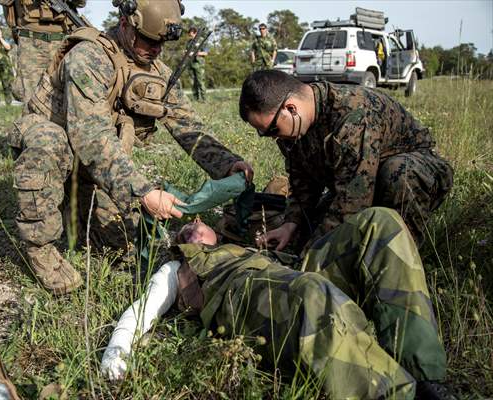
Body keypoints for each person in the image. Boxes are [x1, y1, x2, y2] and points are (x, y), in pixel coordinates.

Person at [9, 0, 253, 294]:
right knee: (48, 142)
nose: (156, 50)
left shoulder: (157, 71)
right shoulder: (88, 57)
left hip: (93, 167)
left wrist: (228, 164)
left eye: (161, 44)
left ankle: (75, 204)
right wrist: (143, 191)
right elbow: (91, 136)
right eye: (149, 41)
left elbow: (188, 127)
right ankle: (40, 248)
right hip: (61, 144)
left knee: (122, 244)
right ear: (125, 24)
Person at [101, 208, 455, 399]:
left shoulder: (239, 238)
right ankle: (400, 394)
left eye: (196, 221)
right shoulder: (177, 268)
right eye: (182, 233)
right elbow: (141, 311)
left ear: (215, 230)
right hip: (250, 295)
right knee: (311, 294)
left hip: (293, 270)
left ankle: (426, 376)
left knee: (380, 222)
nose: (191, 227)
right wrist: (116, 355)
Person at [238, 69, 453, 251]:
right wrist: (291, 224)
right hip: (359, 183)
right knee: (307, 230)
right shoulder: (293, 128)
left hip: (414, 173)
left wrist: (310, 259)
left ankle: (404, 254)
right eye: (264, 133)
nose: (273, 137)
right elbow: (303, 181)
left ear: (291, 108)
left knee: (398, 173)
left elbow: (354, 201)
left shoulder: (352, 114)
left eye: (271, 130)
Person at [0, 0, 87, 103]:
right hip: (31, 44)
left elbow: (81, 3)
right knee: (31, 95)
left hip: (64, 41)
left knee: (70, 93)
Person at [186, 27, 208, 102]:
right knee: (192, 82)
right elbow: (187, 51)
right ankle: (196, 99)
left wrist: (195, 53)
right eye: (189, 35)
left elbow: (205, 53)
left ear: (195, 33)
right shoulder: (189, 42)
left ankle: (204, 99)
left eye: (191, 34)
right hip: (190, 63)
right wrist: (186, 52)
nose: (190, 36)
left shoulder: (202, 41)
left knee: (200, 82)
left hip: (199, 64)